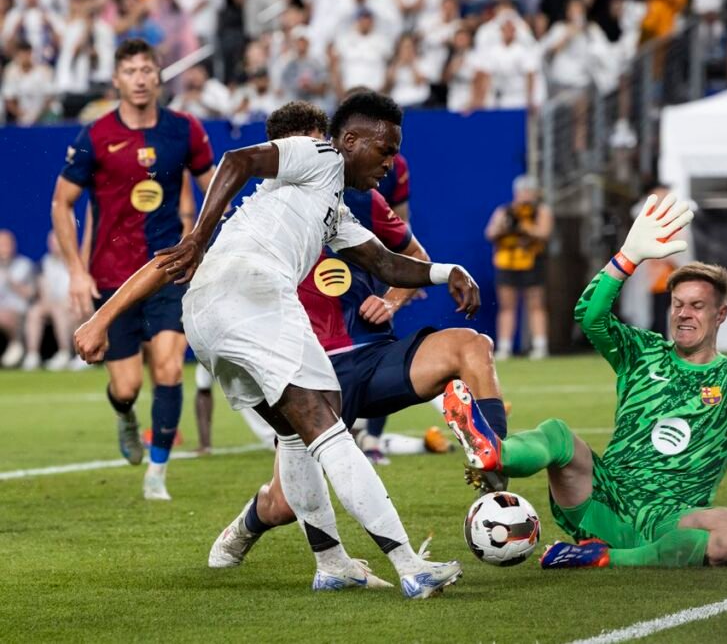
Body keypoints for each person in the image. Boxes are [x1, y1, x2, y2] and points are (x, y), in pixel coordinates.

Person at [73, 96, 478, 598]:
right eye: (386, 150)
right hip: (252, 295)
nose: (391, 164)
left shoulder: (325, 208)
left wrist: (448, 272)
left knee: (297, 431)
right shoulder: (322, 155)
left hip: (208, 313)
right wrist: (197, 237)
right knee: (329, 429)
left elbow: (388, 264)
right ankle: (410, 565)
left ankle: (331, 563)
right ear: (348, 141)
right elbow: (236, 160)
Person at [445, 197, 727, 569]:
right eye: (677, 304)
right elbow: (589, 317)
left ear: (721, 314)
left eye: (697, 306)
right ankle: (494, 454)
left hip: (672, 518)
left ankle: (606, 558)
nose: (683, 314)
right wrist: (627, 257)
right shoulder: (643, 351)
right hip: (604, 498)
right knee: (557, 434)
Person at [208, 180, 509, 567]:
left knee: (472, 345)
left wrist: (390, 300)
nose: (386, 167)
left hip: (374, 357)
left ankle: (497, 464)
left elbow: (412, 254)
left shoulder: (363, 200)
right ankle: (246, 526)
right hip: (307, 376)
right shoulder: (264, 210)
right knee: (283, 506)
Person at [52, 38, 216, 500]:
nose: (140, 78)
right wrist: (75, 271)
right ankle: (124, 414)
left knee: (168, 367)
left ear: (159, 76)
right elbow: (61, 204)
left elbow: (215, 188)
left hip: (168, 271)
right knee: (125, 387)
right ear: (117, 80)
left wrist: (202, 241)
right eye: (131, 71)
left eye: (148, 69)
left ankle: (157, 474)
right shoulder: (95, 135)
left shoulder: (185, 130)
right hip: (112, 279)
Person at [485, 174, 554, 360]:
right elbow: (490, 233)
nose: (525, 195)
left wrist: (524, 227)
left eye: (529, 191)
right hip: (507, 262)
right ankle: (504, 347)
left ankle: (540, 345)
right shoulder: (505, 211)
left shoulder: (541, 211)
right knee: (507, 306)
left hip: (532, 262)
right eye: (522, 191)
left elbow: (544, 233)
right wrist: (504, 226)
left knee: (536, 304)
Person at [23, 232, 83, 371]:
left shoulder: (78, 261)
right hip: (51, 304)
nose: (55, 245)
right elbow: (41, 289)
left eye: (58, 241)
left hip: (74, 303)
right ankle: (32, 355)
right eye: (52, 242)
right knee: (34, 312)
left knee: (60, 310)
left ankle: (65, 352)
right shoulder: (44, 263)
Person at [0, 230, 35, 368]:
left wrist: (10, 279)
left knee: (3, 315)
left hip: (19, 309)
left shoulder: (24, 265)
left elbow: (30, 294)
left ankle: (17, 343)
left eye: (6, 244)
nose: (4, 247)